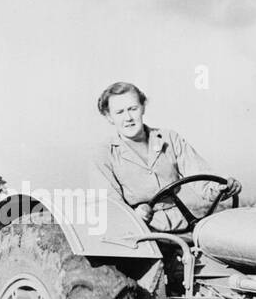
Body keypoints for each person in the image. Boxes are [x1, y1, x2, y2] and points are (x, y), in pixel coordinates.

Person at [93, 81, 241, 233]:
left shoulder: (169, 138)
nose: (128, 117)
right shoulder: (105, 153)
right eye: (120, 112)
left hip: (183, 224)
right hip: (141, 232)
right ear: (109, 117)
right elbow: (111, 206)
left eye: (133, 109)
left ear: (143, 107)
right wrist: (135, 215)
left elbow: (203, 181)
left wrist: (223, 188)